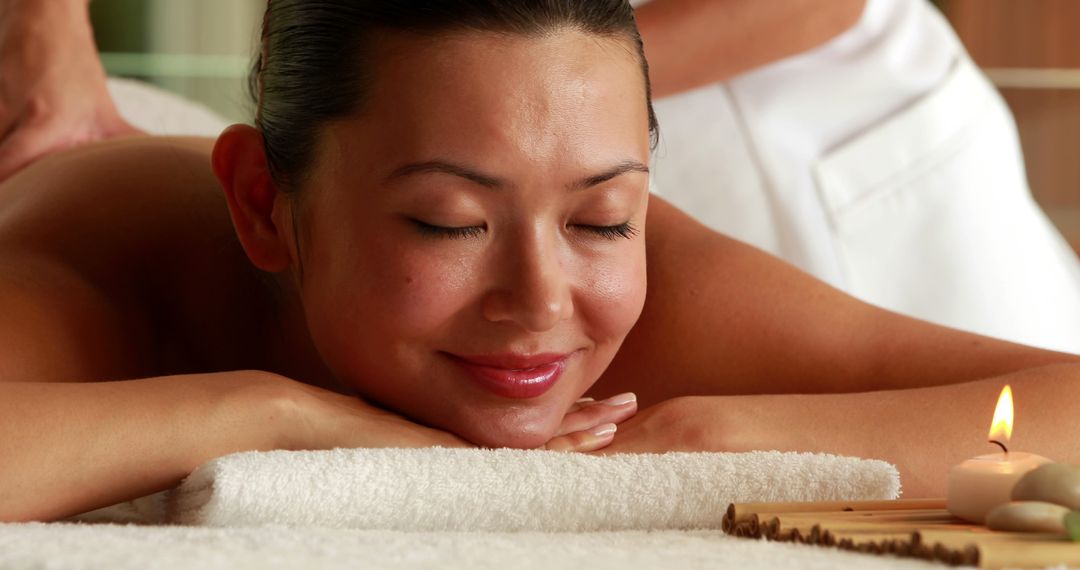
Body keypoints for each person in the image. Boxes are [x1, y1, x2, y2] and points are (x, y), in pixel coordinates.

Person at [0, 0, 1078, 524]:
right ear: (260, 205)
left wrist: (705, 434)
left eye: (604, 218)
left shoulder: (641, 302)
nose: (543, 304)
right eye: (448, 223)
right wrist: (276, 418)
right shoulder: (95, 267)